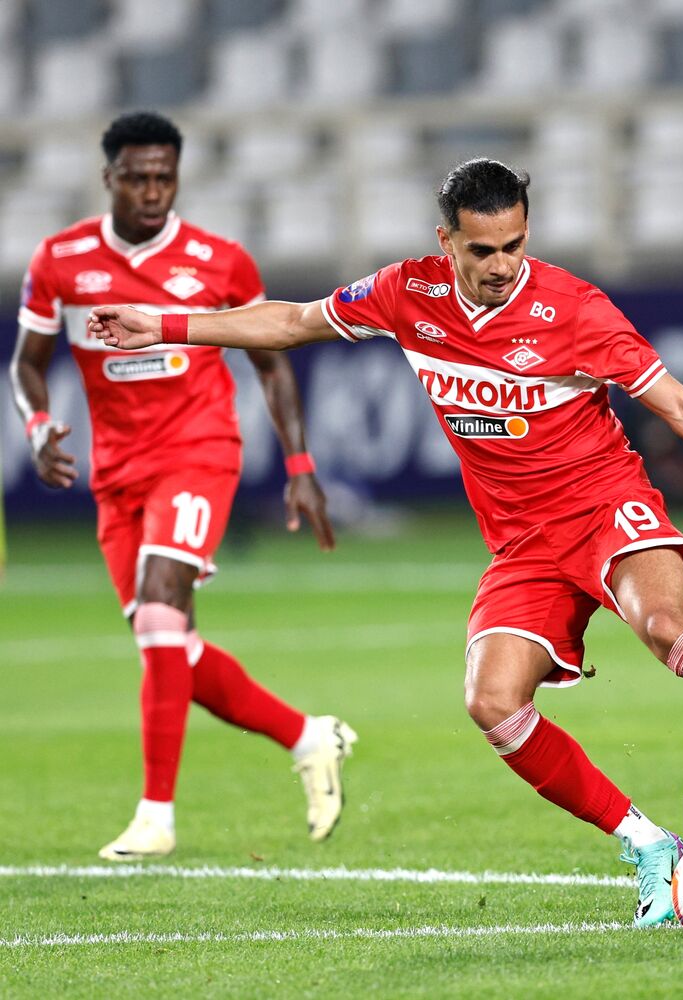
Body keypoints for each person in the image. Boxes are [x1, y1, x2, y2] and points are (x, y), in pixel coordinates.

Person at [88, 157, 683, 927]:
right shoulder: (406, 292)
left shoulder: (577, 311)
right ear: (446, 242)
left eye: (513, 247)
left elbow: (681, 405)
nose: (500, 267)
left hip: (604, 506)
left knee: (663, 625)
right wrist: (161, 323)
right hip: (521, 546)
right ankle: (647, 843)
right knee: (490, 702)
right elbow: (291, 323)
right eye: (481, 250)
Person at [8, 111, 357, 861]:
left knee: (162, 611)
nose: (152, 190)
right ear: (109, 178)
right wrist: (36, 424)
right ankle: (308, 736)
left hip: (198, 452)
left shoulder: (218, 261)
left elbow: (272, 359)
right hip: (118, 472)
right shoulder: (61, 260)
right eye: (137, 176)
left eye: (164, 175)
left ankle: (156, 817)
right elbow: (27, 359)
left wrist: (299, 468)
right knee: (168, 644)